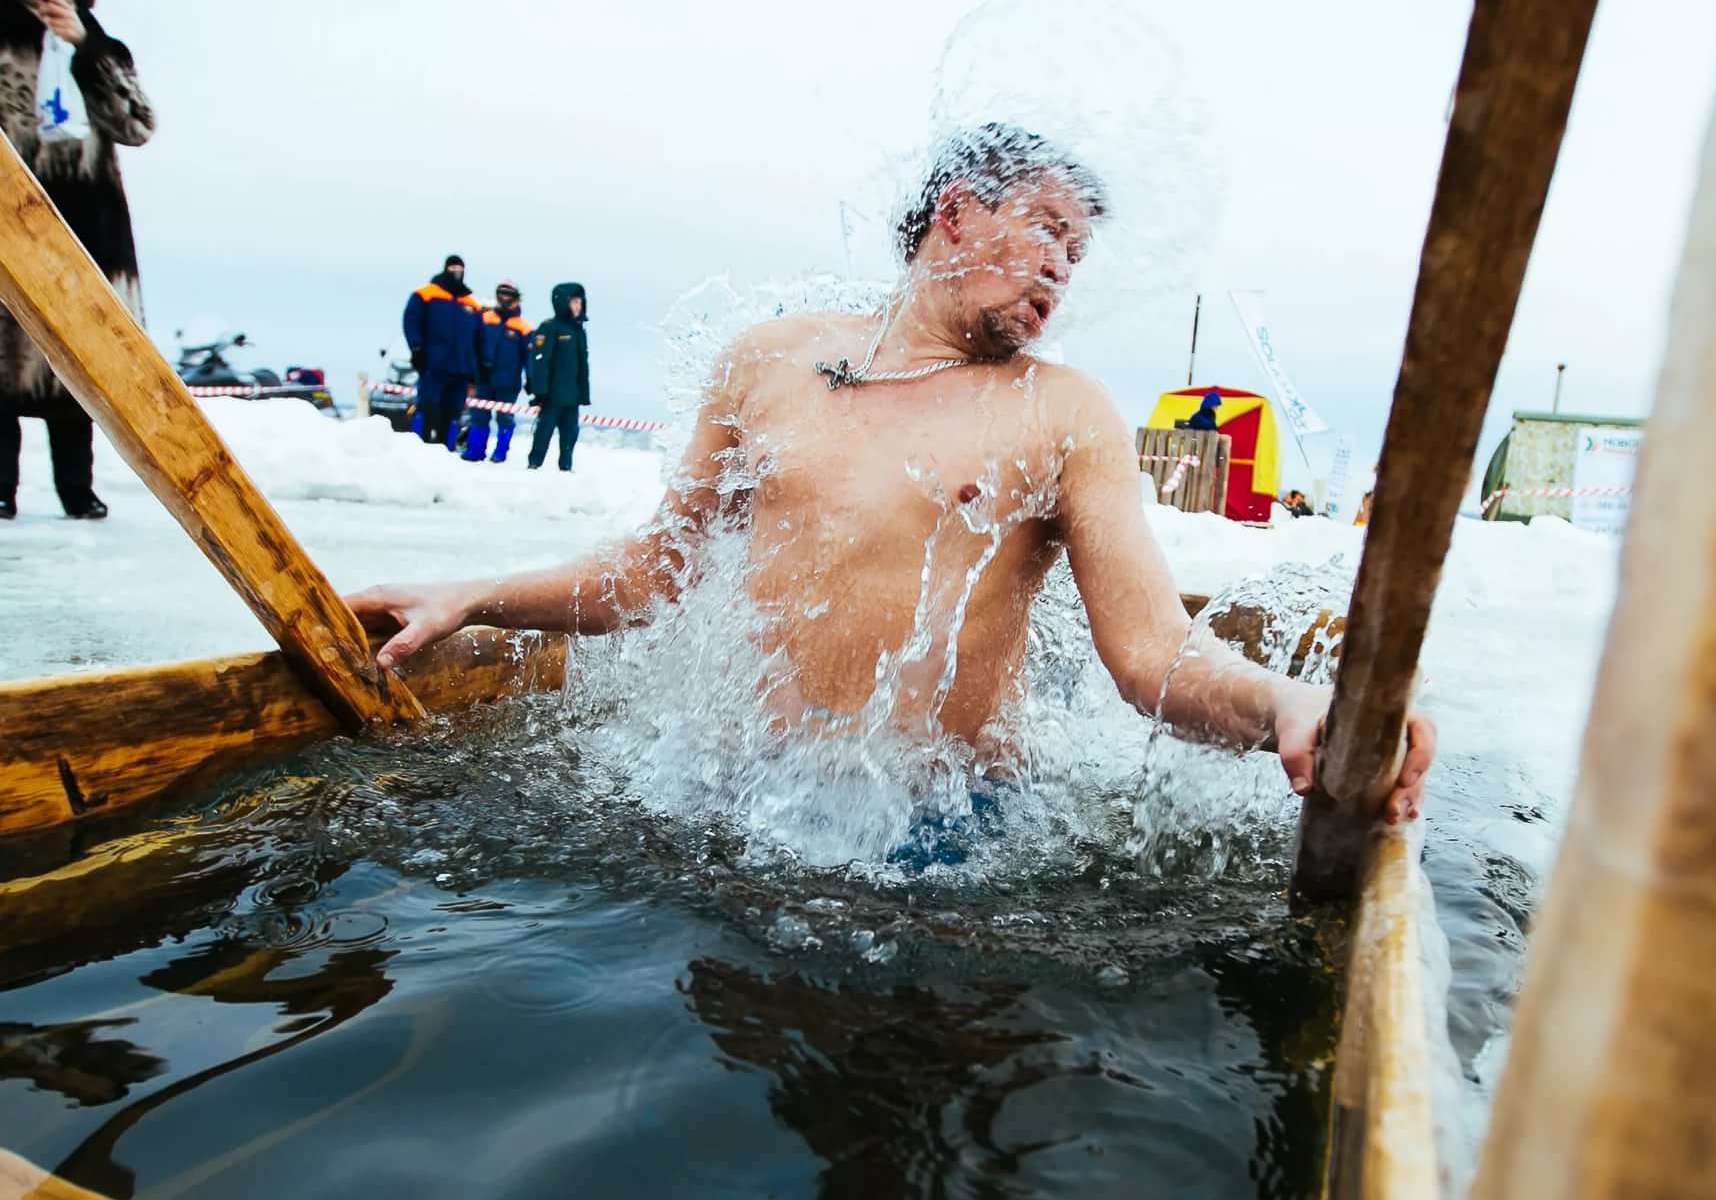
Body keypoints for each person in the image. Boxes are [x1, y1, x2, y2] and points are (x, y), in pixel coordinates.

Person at [349, 124, 1434, 832]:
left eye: (1078, 251)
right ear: (956, 212)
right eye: (1046, 228)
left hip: (943, 824)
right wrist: (475, 596)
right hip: (736, 804)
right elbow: (656, 571)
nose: (1063, 263)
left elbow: (1152, 655)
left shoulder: (1063, 413)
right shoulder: (767, 363)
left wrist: (1287, 702)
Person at [0, 0, 154, 521]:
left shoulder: (98, 44)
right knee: (3, 357)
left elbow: (137, 126)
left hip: (87, 222)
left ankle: (77, 486)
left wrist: (88, 46)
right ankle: (2, 485)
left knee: (79, 361)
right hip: (10, 214)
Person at [402, 254, 480, 449]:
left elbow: (479, 338)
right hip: (433, 363)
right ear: (445, 269)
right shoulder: (425, 294)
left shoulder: (471, 303)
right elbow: (411, 321)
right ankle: (420, 446)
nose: (456, 273)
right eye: (452, 269)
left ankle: (447, 449)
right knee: (428, 406)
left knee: (453, 411)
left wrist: (479, 366)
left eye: (460, 269)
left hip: (461, 368)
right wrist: (416, 348)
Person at [523, 282, 589, 472]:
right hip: (552, 395)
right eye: (574, 301)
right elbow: (540, 362)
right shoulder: (549, 328)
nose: (578, 306)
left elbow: (582, 366)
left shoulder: (578, 331)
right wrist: (540, 392)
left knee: (570, 434)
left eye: (580, 302)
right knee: (544, 431)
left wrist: (583, 394)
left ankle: (566, 468)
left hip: (572, 396)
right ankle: (534, 464)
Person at [465, 280, 529, 463]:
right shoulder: (484, 319)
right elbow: (472, 347)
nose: (504, 297)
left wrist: (532, 381)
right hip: (483, 378)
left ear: (516, 297)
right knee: (478, 415)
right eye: (501, 292)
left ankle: (500, 454)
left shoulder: (523, 327)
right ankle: (474, 451)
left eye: (508, 293)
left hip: (508, 382)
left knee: (505, 417)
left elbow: (529, 358)